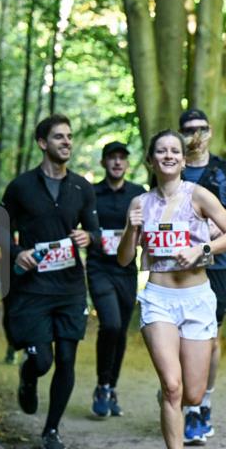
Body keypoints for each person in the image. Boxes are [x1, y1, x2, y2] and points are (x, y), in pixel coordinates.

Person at [117, 129, 226, 449]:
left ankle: (174, 399)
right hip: (159, 298)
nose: (168, 155)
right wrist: (130, 228)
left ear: (183, 160)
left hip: (198, 297)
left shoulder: (198, 196)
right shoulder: (140, 203)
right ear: (151, 160)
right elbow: (126, 258)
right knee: (173, 387)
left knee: (193, 393)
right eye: (161, 151)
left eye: (175, 150)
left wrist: (202, 251)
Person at [0, 114, 100, 449]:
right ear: (43, 143)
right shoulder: (21, 186)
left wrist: (89, 236)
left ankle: (51, 429)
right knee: (43, 361)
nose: (67, 142)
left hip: (70, 287)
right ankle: (28, 374)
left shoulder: (82, 187)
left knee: (67, 359)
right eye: (59, 137)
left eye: (69, 136)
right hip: (33, 289)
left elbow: (95, 232)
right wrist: (17, 252)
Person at [177, 109, 226, 444]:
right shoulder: (171, 168)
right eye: (188, 130)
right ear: (180, 135)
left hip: (217, 265)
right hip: (178, 265)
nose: (195, 134)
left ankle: (201, 404)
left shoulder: (225, 171)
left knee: (208, 338)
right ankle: (181, 398)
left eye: (201, 128)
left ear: (210, 132)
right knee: (182, 337)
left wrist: (221, 225)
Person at [86, 141, 145, 418]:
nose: (117, 162)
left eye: (122, 158)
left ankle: (111, 387)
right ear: (103, 163)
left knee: (120, 330)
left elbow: (151, 227)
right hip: (99, 267)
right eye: (112, 158)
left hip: (126, 269)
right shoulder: (91, 193)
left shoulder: (138, 194)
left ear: (127, 163)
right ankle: (101, 384)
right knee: (109, 324)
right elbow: (78, 225)